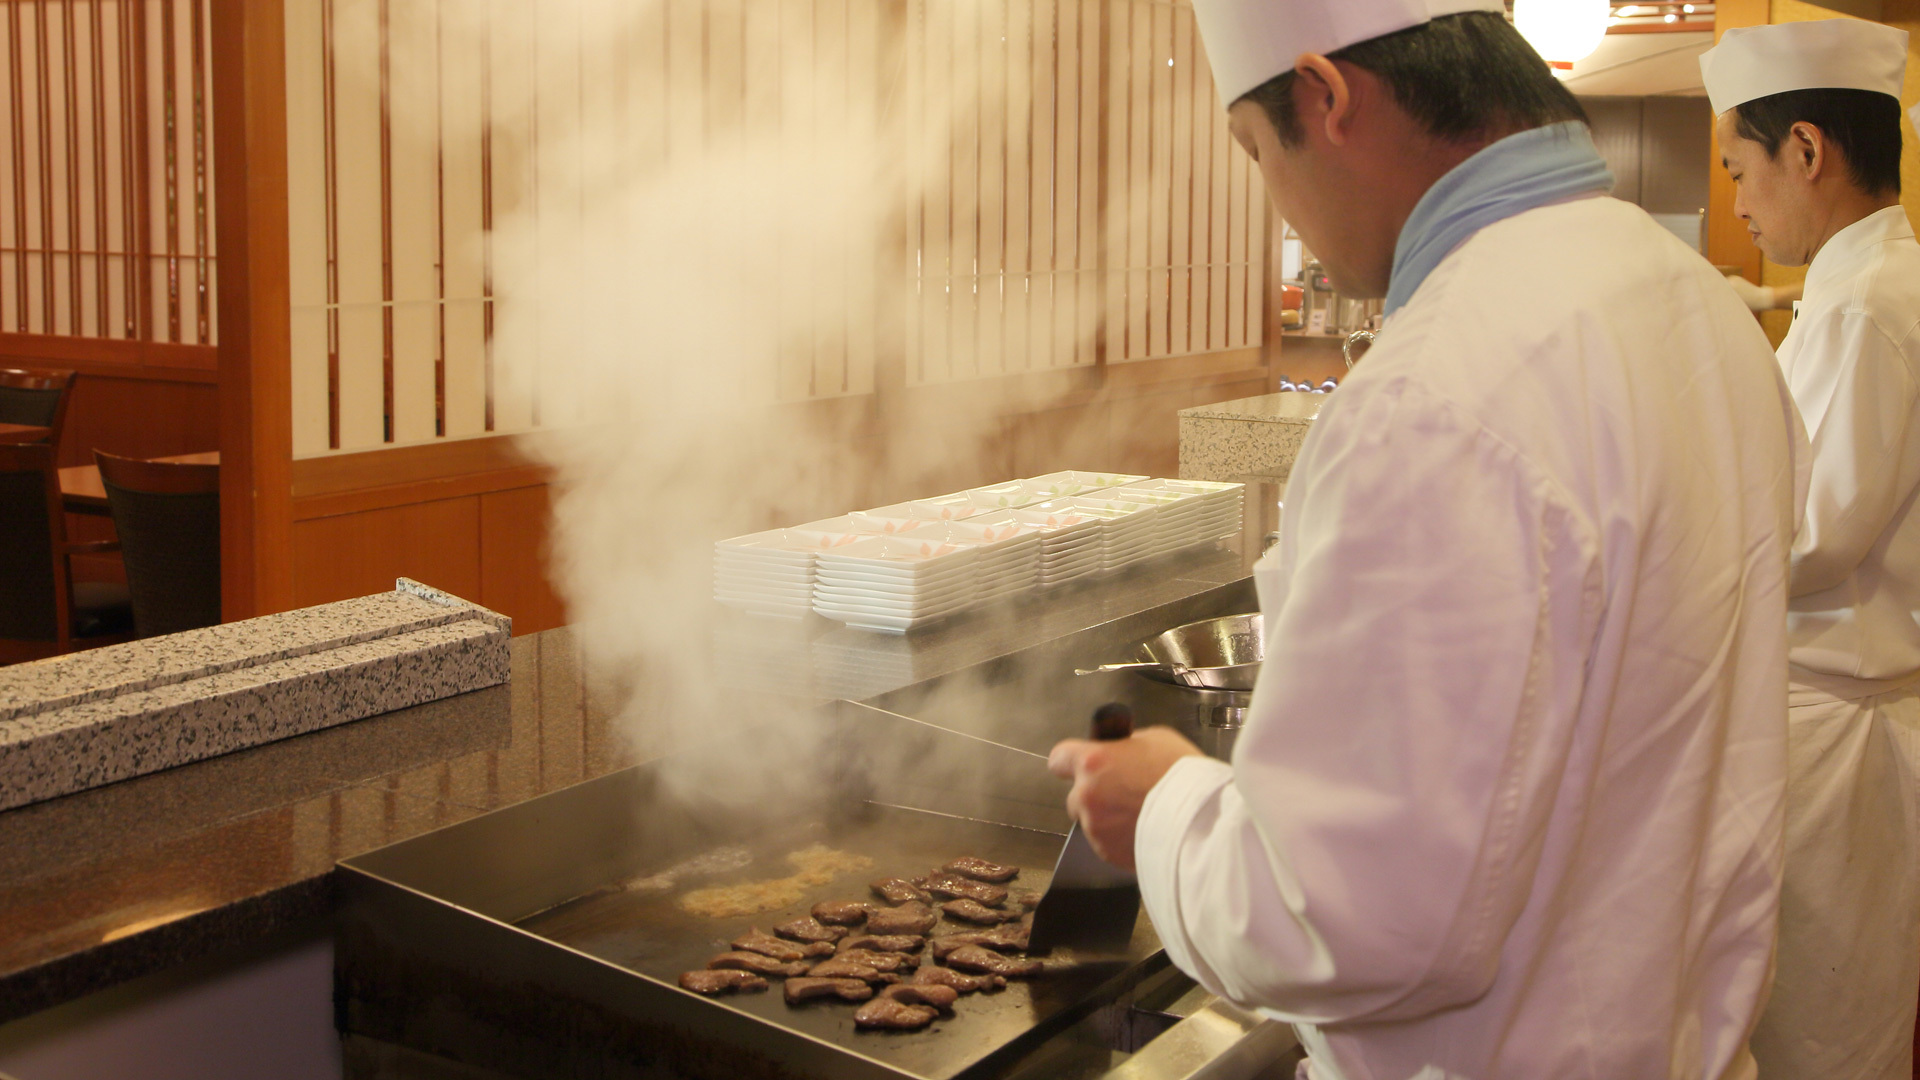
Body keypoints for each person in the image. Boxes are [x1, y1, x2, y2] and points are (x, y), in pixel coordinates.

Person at [1047, 3, 1808, 1078]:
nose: (1280, 202)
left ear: (1325, 96)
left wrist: (1163, 801)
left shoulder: (1436, 392)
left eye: (1259, 153)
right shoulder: (1693, 301)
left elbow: (1343, 917)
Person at [1702, 20, 1920, 1079]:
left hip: (1839, 726)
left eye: (1740, 169)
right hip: (1848, 719)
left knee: (1818, 1035)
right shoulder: (1870, 288)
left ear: (1806, 149)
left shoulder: (1866, 311)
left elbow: (1810, 539)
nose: (1740, 201)